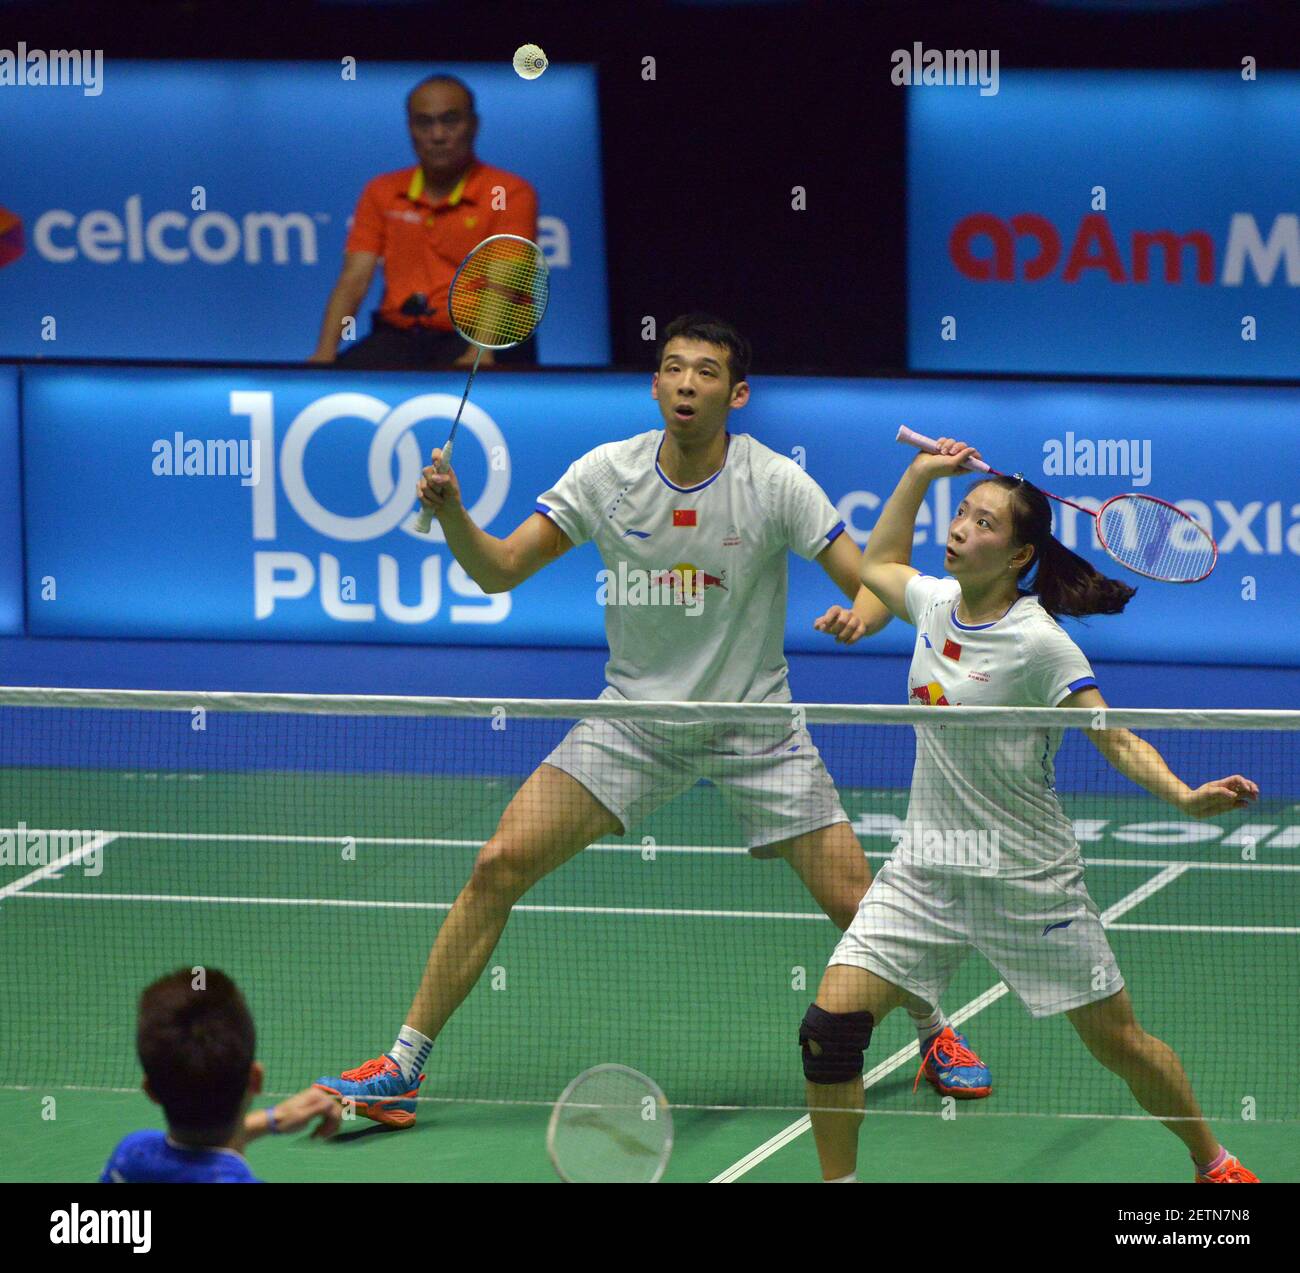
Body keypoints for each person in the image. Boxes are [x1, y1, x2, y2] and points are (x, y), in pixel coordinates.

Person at [312, 315, 992, 1126]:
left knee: (859, 902)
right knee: (499, 861)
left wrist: (860, 614)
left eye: (706, 372)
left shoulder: (775, 482)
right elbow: (498, 571)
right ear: (654, 383)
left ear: (737, 394)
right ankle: (404, 1065)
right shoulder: (607, 473)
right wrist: (455, 513)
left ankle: (934, 1032)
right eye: (672, 368)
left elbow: (872, 584)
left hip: (755, 728)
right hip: (632, 722)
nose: (685, 384)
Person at [798, 437, 1261, 1183]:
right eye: (961, 515)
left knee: (1120, 1043)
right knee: (830, 1031)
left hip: (1026, 879)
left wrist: (1182, 794)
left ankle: (1214, 1159)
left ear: (1018, 556)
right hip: (926, 870)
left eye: (983, 523)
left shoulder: (1041, 643)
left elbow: (1113, 736)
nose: (959, 529)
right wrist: (920, 474)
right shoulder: (934, 603)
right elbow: (877, 566)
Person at [309, 74, 538, 370]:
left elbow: (503, 283)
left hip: (482, 338)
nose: (438, 135)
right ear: (410, 128)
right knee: (341, 382)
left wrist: (479, 354)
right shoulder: (382, 191)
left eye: (450, 120)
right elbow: (354, 279)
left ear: (474, 125)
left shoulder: (508, 192)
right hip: (400, 336)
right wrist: (324, 354)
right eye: (424, 123)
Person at [102, 968, 339, 1183]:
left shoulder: (130, 1159)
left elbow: (194, 1157)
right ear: (255, 1079)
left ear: (151, 1091)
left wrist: (271, 1119)